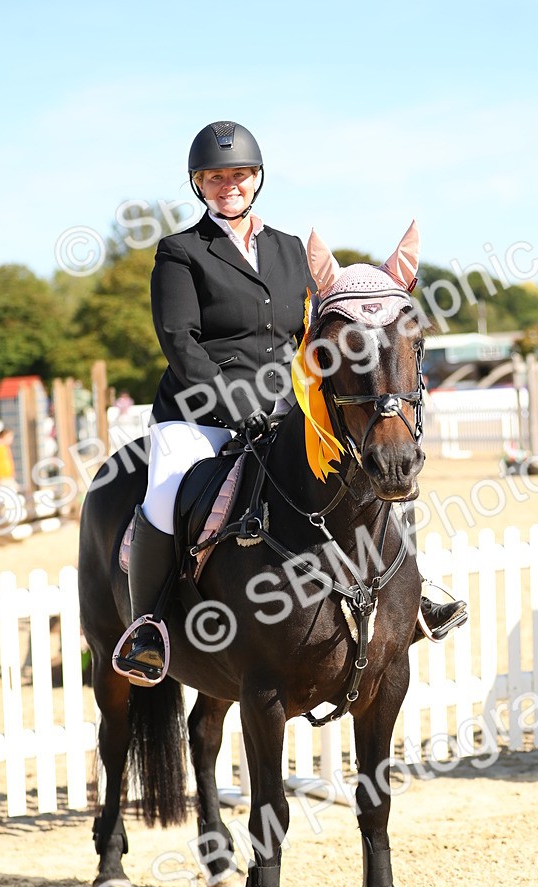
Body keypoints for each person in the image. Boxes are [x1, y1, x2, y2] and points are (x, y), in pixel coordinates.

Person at [115, 120, 466, 685]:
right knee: (163, 496)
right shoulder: (180, 252)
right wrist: (234, 402)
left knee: (375, 468)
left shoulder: (289, 249)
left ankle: (413, 594)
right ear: (198, 185)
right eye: (214, 177)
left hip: (284, 408)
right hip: (199, 412)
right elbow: (181, 341)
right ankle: (150, 627)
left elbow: (318, 328)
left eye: (239, 174)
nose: (228, 185)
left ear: (256, 180)